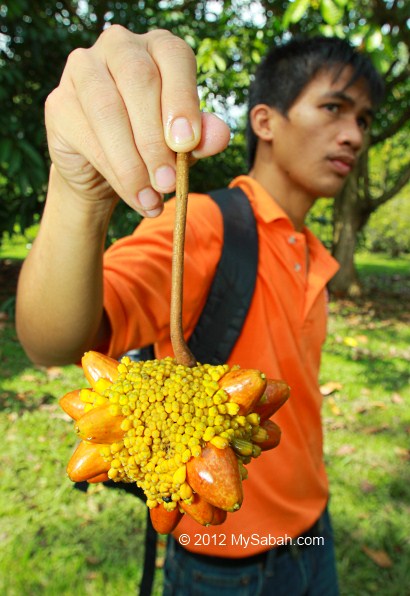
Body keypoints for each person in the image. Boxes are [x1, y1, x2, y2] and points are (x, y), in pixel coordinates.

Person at [16, 26, 384, 595]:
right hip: (226, 565)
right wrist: (77, 190)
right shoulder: (208, 226)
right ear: (264, 120)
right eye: (334, 107)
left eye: (363, 119)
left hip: (314, 531)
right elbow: (52, 339)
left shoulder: (313, 250)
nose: (354, 135)